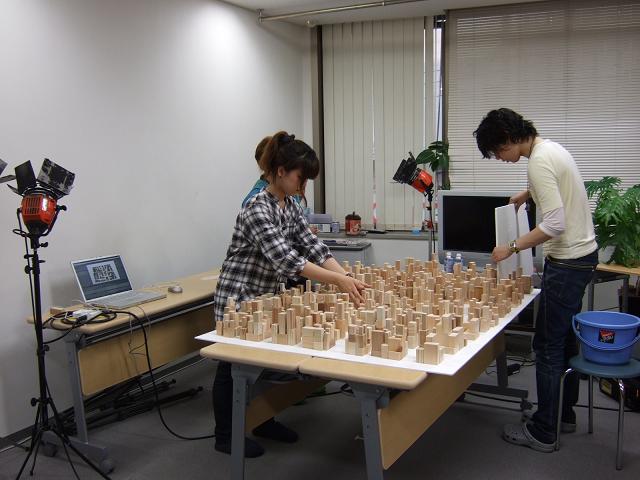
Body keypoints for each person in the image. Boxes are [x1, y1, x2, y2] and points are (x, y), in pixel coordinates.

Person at [213, 131, 368, 458]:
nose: (303, 186)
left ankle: (262, 420)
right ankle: (225, 436)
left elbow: (312, 246)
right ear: (280, 171)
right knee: (232, 366)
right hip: (238, 297)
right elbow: (287, 260)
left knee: (263, 363)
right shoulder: (257, 208)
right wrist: (337, 281)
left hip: (266, 295)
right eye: (301, 177)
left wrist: (346, 277)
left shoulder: (290, 205)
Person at [474, 108, 598, 453]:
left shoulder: (538, 162)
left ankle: (544, 431)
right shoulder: (551, 149)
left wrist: (512, 247)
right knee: (565, 342)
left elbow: (555, 223)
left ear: (509, 139)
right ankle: (563, 417)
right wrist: (526, 193)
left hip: (567, 262)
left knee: (546, 347)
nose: (500, 159)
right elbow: (554, 186)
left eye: (498, 152)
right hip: (583, 258)